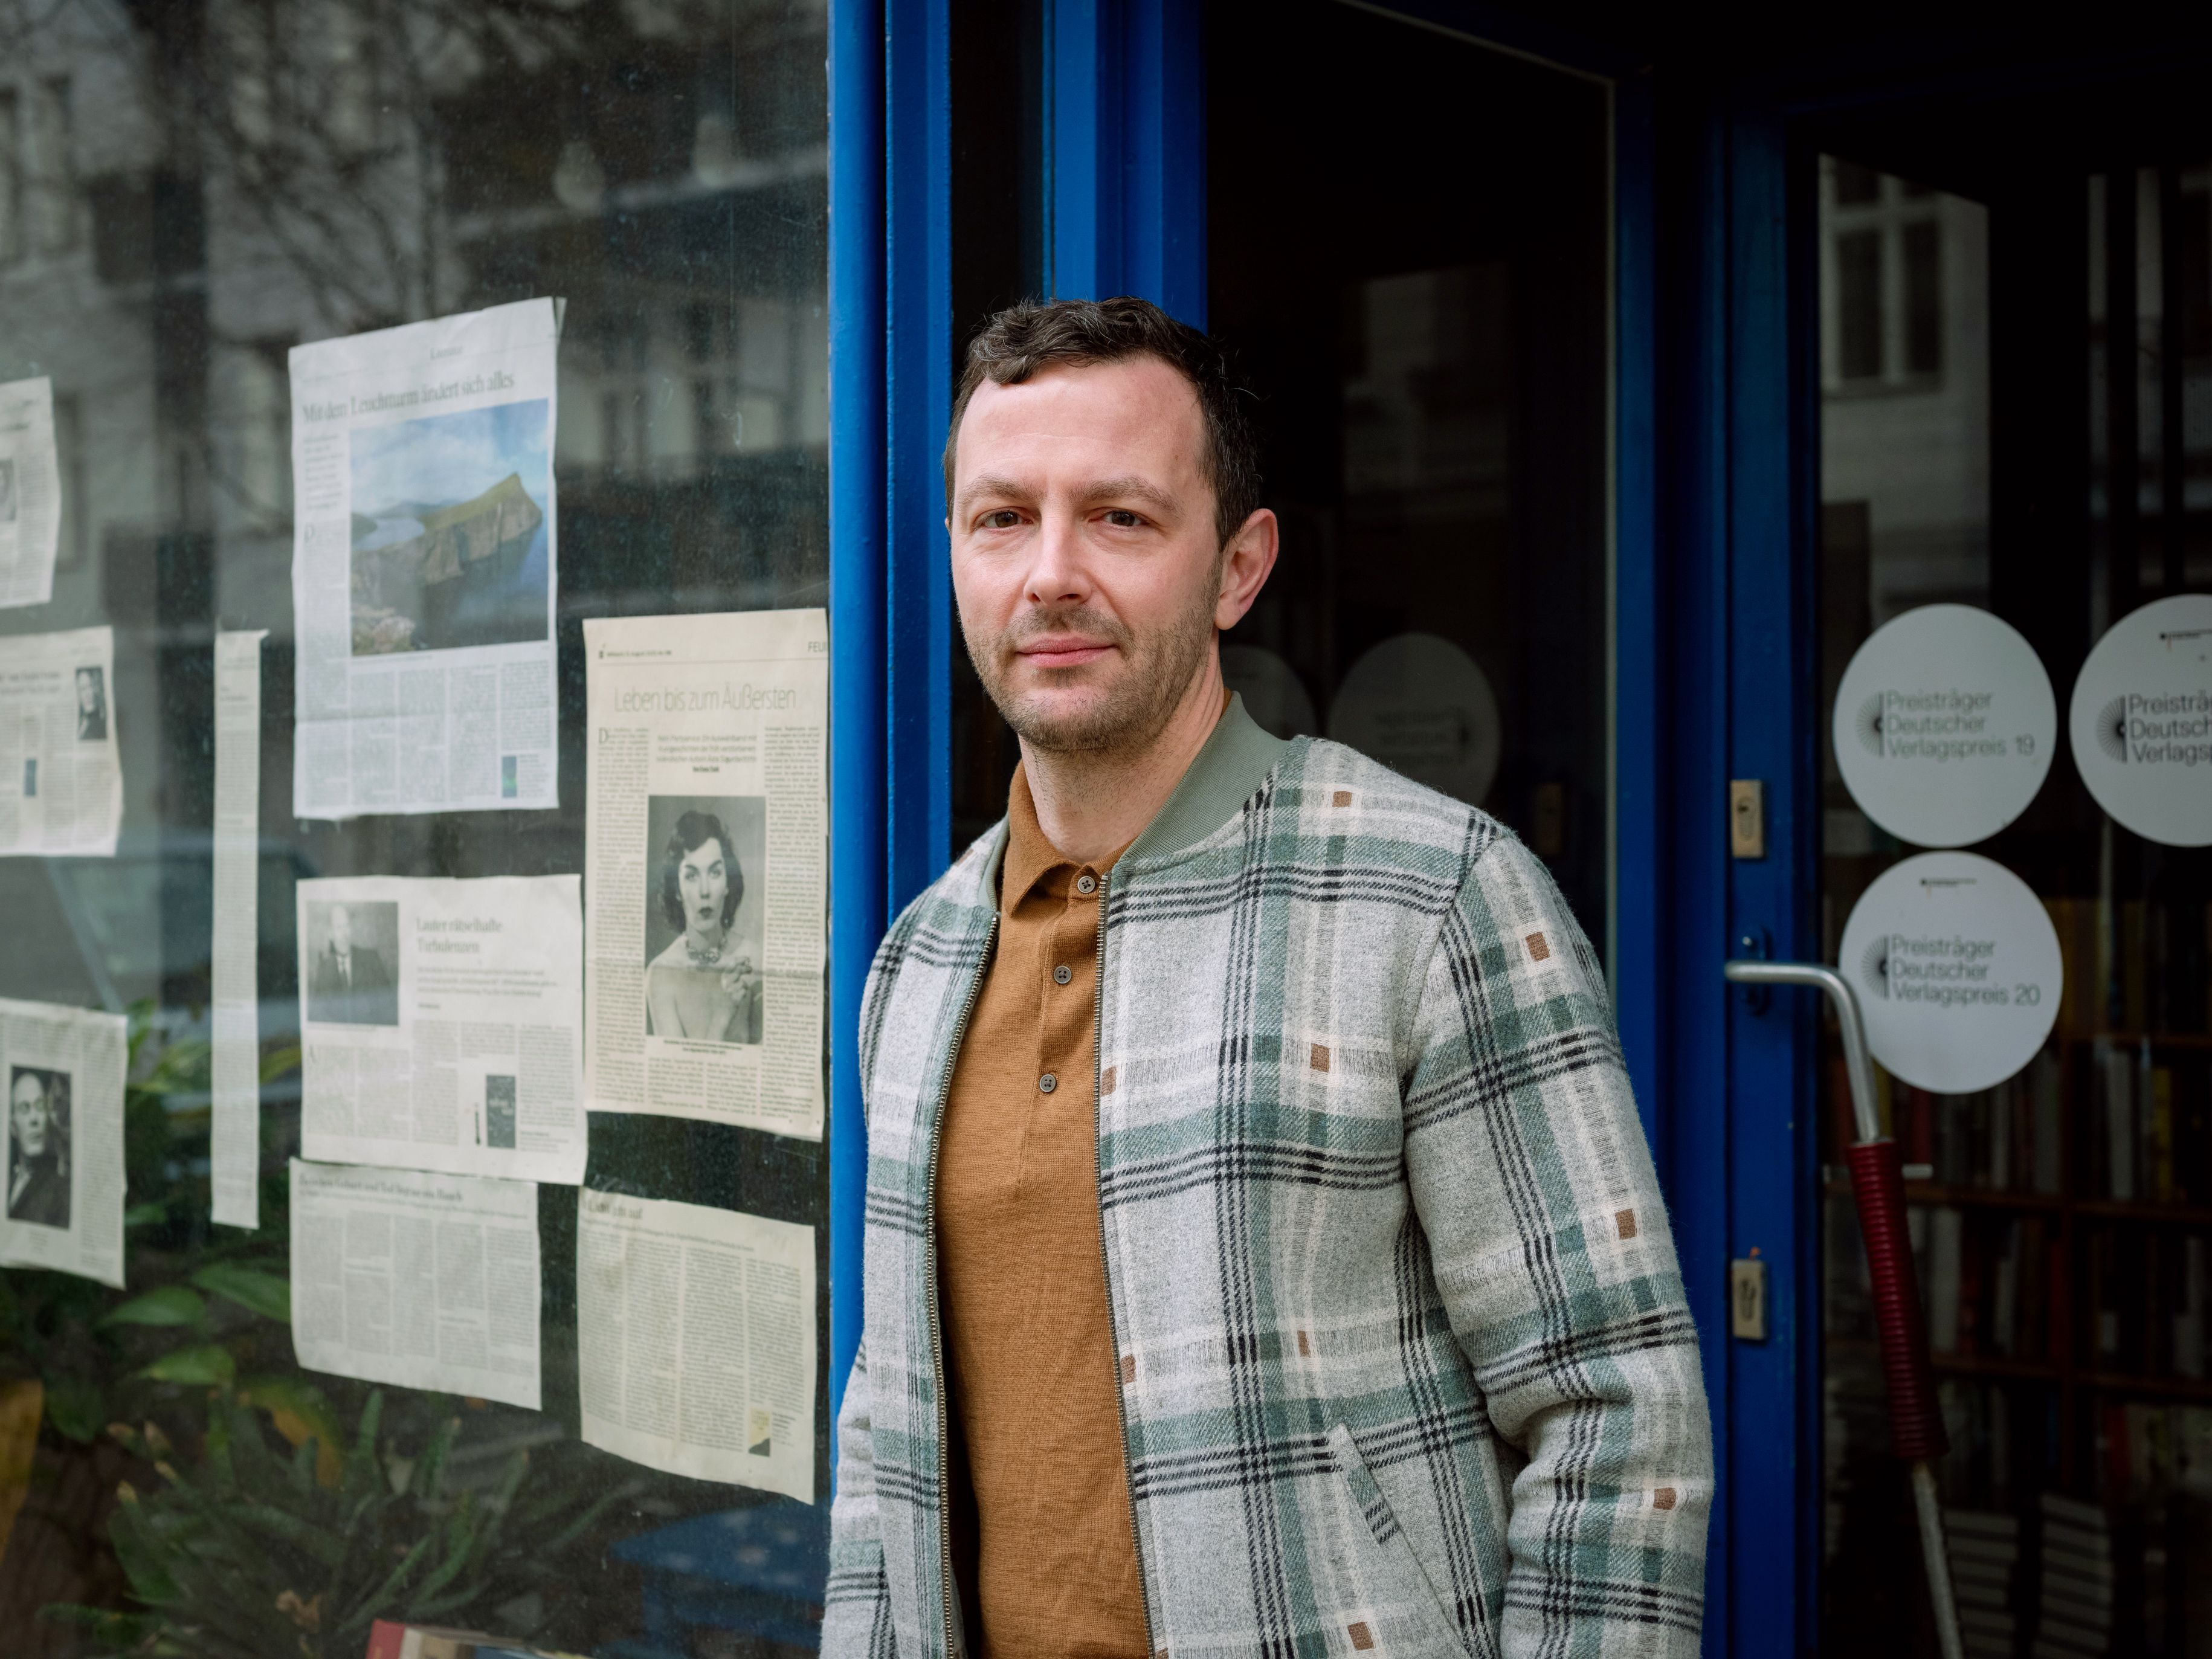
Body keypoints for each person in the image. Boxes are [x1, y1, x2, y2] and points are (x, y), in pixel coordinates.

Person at [825, 298, 1711, 1659]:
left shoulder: (1435, 893)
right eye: (1001, 518)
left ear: (1237, 567)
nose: (1050, 572)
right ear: (953, 553)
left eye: (1119, 517)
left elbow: (1618, 1410)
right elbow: (887, 1429)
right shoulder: (922, 958)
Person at [645, 810, 762, 1044]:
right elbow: (677, 1077)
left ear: (728, 883)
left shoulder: (755, 960)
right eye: (691, 876)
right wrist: (722, 1015)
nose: (705, 891)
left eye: (715, 873)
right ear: (676, 890)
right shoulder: (661, 974)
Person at [308, 903, 398, 1025]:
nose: (344, 935)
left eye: (347, 927)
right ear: (330, 934)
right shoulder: (324, 970)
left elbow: (389, 1008)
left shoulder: (372, 960)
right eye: (339, 928)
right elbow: (317, 1017)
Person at [8, 1069, 70, 1229]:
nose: (34, 1119)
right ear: (12, 1126)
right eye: (24, 1108)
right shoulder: (9, 1180)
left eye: (40, 1106)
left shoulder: (61, 1189)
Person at [74, 666, 106, 741]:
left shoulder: (104, 723)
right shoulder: (81, 722)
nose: (89, 694)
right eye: (83, 689)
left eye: (92, 686)